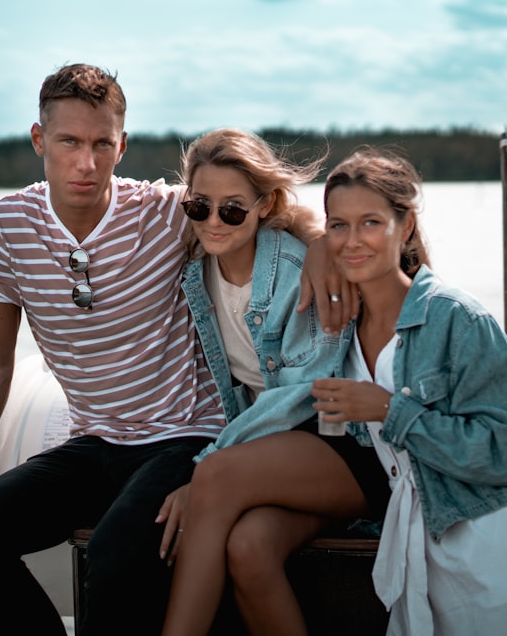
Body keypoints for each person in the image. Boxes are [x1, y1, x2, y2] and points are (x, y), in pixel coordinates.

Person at [0, 64, 334, 636]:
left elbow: (254, 206)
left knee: (111, 556)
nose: (87, 161)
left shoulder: (169, 213)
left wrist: (325, 244)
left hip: (184, 436)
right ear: (39, 140)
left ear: (121, 145)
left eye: (102, 143)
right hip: (94, 440)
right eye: (69, 142)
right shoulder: (7, 226)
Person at [310, 147, 507, 635]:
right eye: (337, 225)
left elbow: (506, 454)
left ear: (404, 226)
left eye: (370, 223)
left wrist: (389, 409)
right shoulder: (343, 330)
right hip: (420, 566)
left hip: (498, 560)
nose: (351, 240)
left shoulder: (458, 320)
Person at [158, 132, 392, 635]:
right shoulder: (195, 273)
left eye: (233, 210)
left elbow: (299, 396)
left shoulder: (296, 271)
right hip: (276, 454)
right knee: (249, 547)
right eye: (200, 206)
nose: (213, 222)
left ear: (264, 206)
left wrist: (204, 469)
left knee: (216, 478)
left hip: (349, 445)